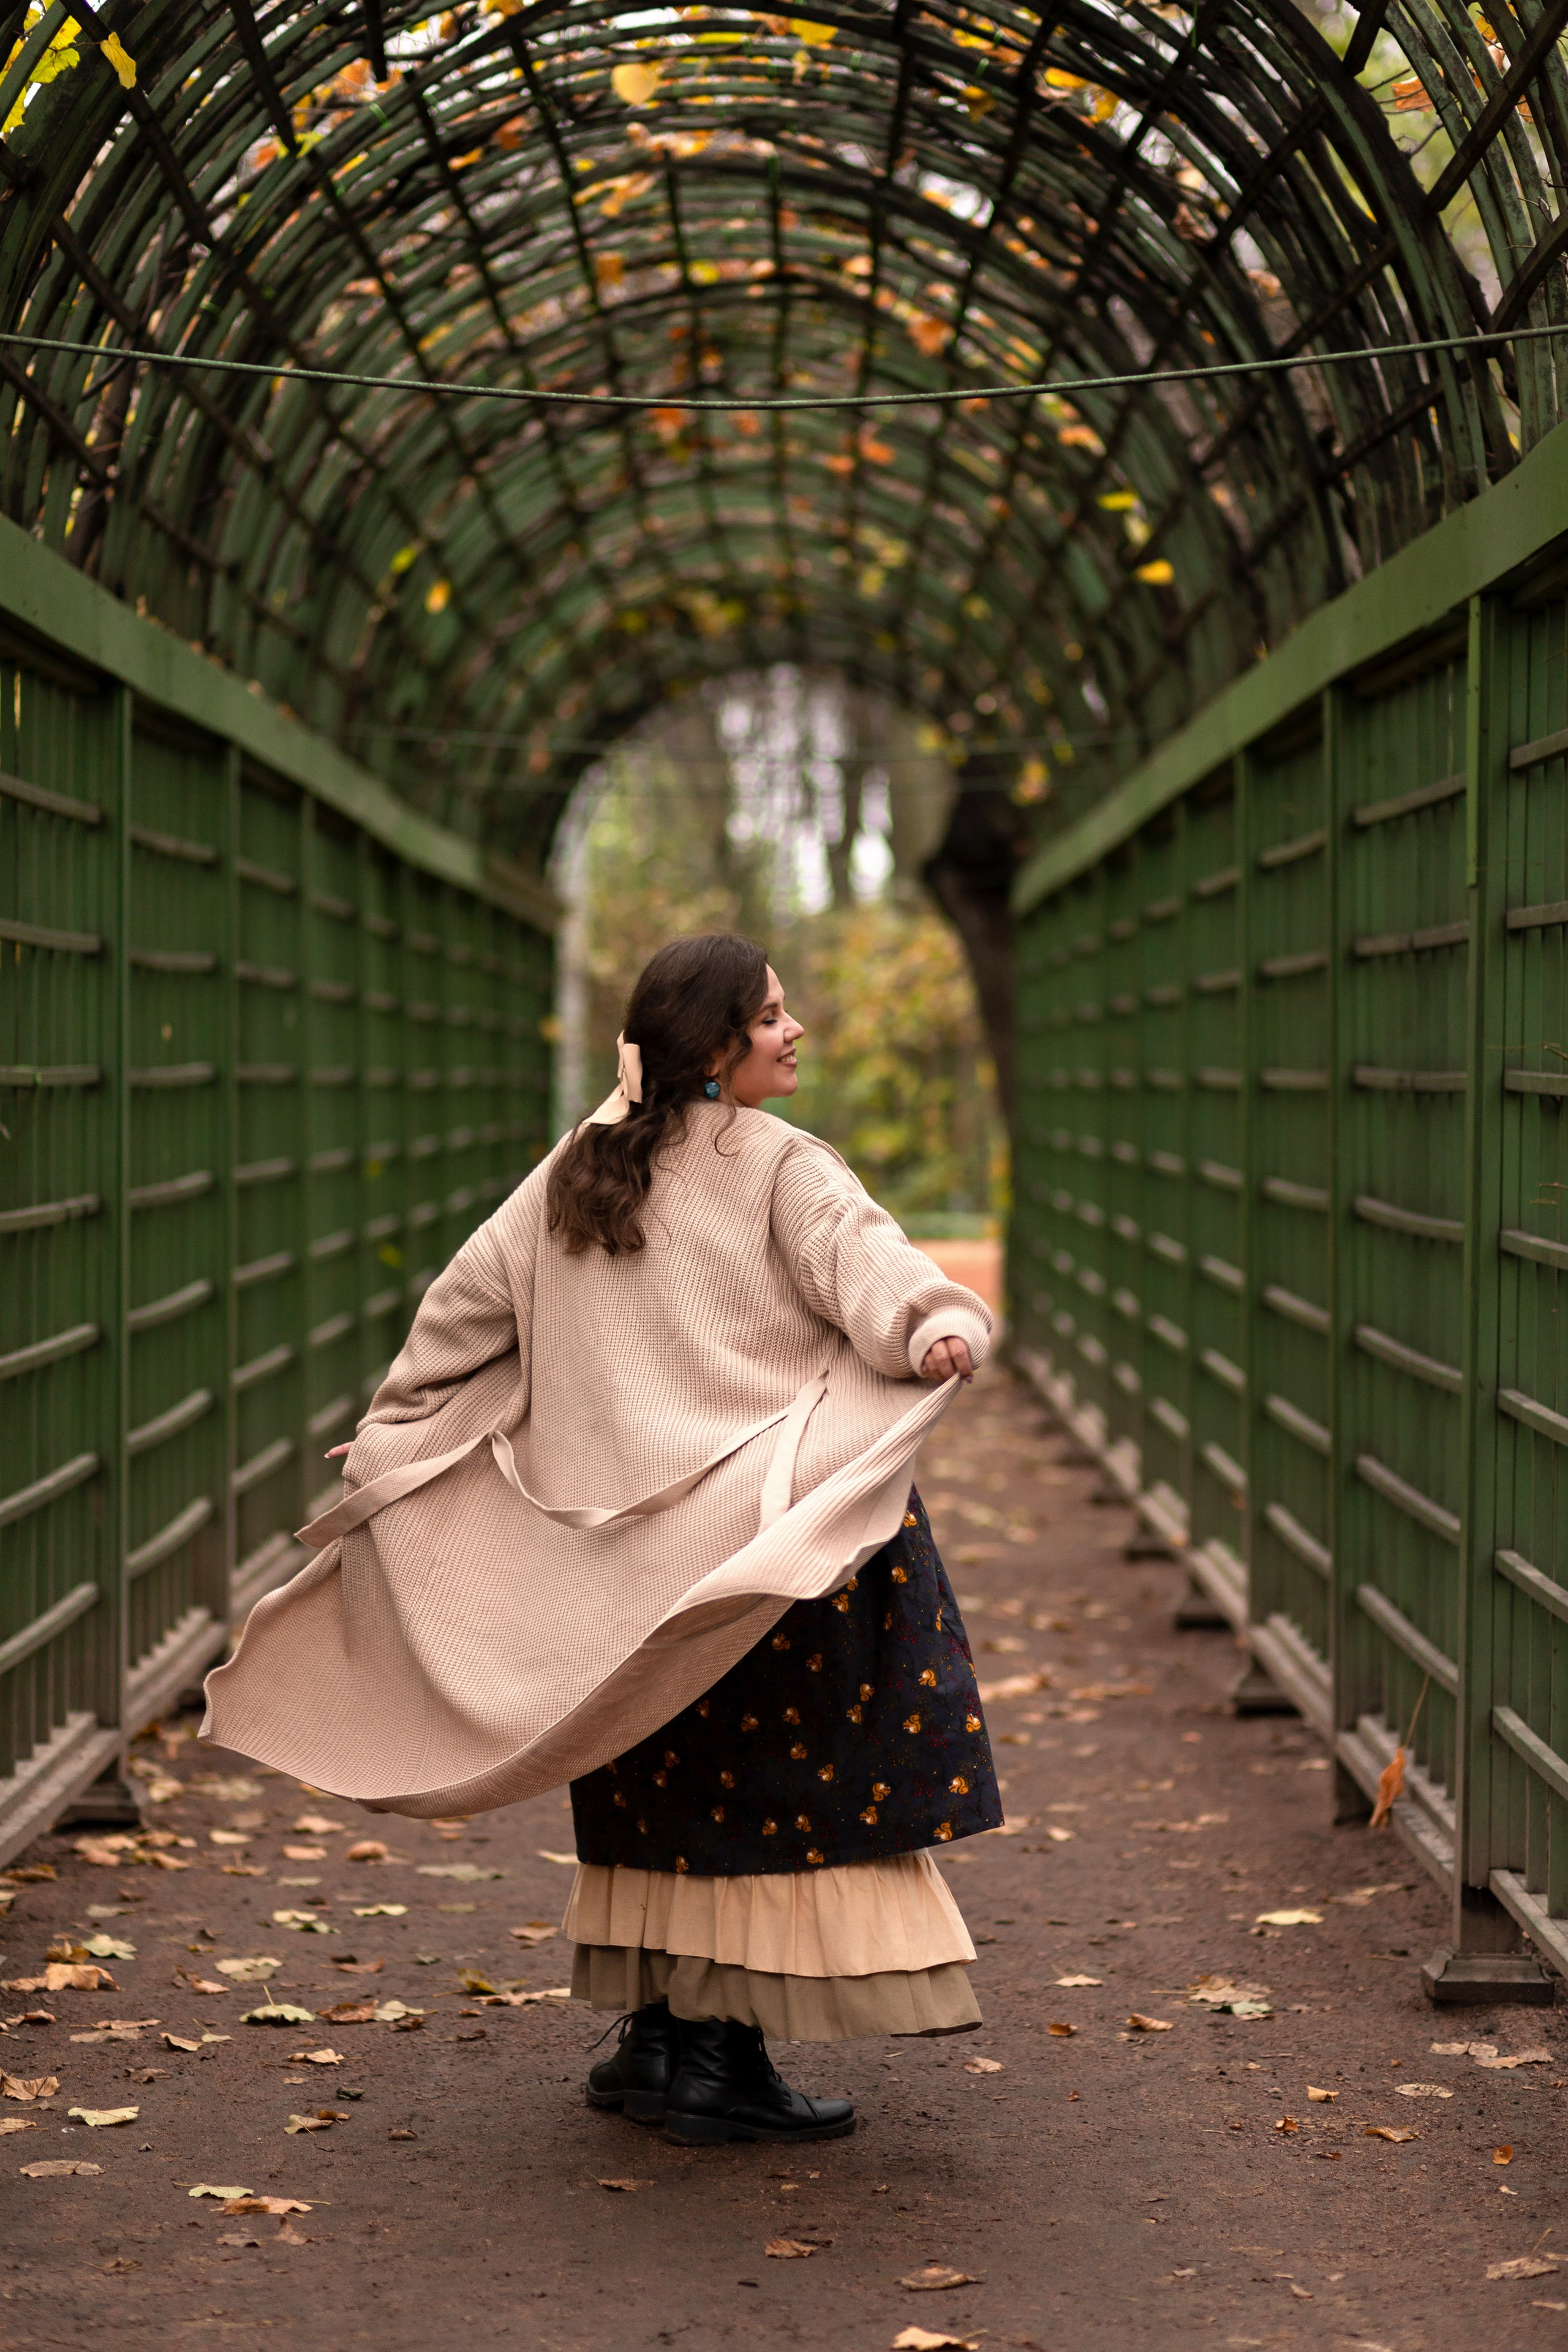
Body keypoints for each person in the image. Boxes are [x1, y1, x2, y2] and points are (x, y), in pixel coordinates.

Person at [203, 933, 998, 2147]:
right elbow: (864, 1262)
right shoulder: (782, 1162)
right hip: (762, 1548)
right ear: (714, 1045)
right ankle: (719, 2062)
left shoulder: (578, 1168)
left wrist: (398, 1435)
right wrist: (934, 1327)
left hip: (621, 1577)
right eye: (771, 1017)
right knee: (779, 1792)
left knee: (656, 1778)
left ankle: (657, 2042)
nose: (794, 1034)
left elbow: (463, 1310)